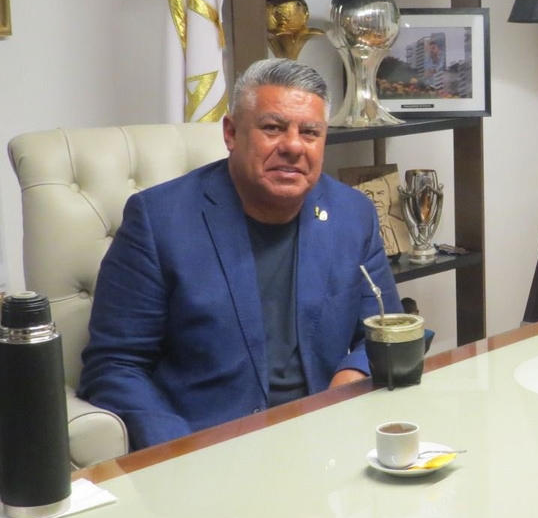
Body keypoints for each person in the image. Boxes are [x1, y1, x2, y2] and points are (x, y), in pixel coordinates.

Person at [80, 59, 402, 450]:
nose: (293, 146)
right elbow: (115, 365)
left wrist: (343, 389)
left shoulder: (352, 213)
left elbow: (386, 331)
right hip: (208, 448)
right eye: (273, 128)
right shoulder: (158, 219)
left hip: (327, 445)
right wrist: (178, 450)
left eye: (310, 132)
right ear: (231, 133)